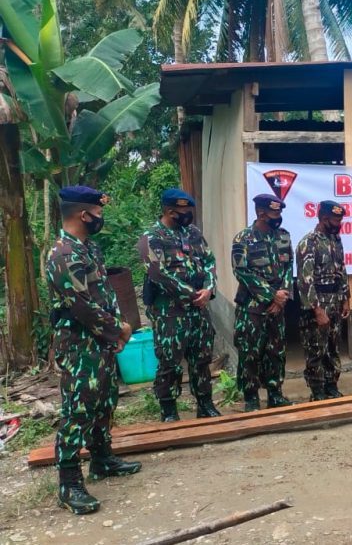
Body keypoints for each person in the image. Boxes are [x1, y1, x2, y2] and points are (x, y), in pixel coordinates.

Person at [47, 186, 141, 515]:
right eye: (98, 214)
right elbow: (81, 306)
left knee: (104, 399)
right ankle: (69, 483)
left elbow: (105, 295)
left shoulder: (89, 248)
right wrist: (119, 330)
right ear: (82, 214)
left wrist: (115, 331)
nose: (101, 219)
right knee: (78, 411)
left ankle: (101, 459)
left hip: (100, 340)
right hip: (79, 344)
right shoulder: (63, 255)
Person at [137, 189, 220, 422]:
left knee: (202, 357)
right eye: (183, 212)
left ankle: (205, 404)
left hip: (199, 308)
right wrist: (191, 293)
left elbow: (210, 261)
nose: (187, 216)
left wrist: (209, 288)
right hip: (170, 312)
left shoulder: (193, 233)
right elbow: (157, 273)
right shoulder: (150, 238)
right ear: (170, 211)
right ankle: (169, 410)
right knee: (170, 362)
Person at [231, 194, 294, 411]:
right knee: (250, 353)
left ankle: (275, 394)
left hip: (277, 308)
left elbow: (288, 268)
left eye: (280, 213)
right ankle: (251, 398)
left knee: (276, 351)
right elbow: (241, 271)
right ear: (261, 213)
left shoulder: (284, 236)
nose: (279, 217)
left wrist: (282, 297)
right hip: (252, 308)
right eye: (275, 213)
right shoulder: (243, 239)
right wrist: (270, 295)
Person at [295, 200, 350, 401]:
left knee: (333, 346)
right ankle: (317, 390)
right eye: (336, 219)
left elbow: (341, 270)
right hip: (317, 302)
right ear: (324, 218)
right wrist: (316, 310)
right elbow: (305, 280)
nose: (339, 222)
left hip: (335, 300)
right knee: (316, 348)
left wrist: (345, 298)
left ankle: (331, 385)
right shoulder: (308, 243)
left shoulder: (336, 240)